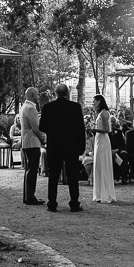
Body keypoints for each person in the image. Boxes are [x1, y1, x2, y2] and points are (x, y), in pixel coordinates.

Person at [38, 83, 85, 212]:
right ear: (67, 93)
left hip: (55, 146)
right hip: (71, 146)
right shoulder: (75, 107)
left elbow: (42, 127)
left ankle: (52, 203)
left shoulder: (47, 107)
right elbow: (81, 129)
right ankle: (74, 203)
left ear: (55, 93)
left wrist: (53, 131)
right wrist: (81, 146)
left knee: (53, 176)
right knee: (72, 176)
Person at [20, 87, 46, 205]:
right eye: (36, 94)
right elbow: (36, 127)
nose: (38, 96)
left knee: (28, 169)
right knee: (32, 170)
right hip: (32, 142)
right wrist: (43, 138)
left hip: (26, 142)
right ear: (31, 95)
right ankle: (30, 196)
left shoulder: (24, 107)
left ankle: (27, 195)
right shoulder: (30, 108)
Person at [89, 94, 116, 204]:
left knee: (103, 165)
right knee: (98, 166)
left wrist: (94, 129)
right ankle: (99, 194)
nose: (93, 103)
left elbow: (107, 129)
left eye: (94, 101)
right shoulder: (99, 113)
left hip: (103, 141)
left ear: (99, 101)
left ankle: (105, 194)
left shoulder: (104, 113)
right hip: (98, 140)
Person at [108, 116, 129, 184]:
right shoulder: (104, 133)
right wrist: (110, 151)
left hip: (117, 151)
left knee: (124, 155)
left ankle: (124, 178)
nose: (112, 123)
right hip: (107, 152)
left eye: (113, 122)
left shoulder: (119, 132)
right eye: (110, 121)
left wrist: (116, 150)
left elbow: (123, 145)